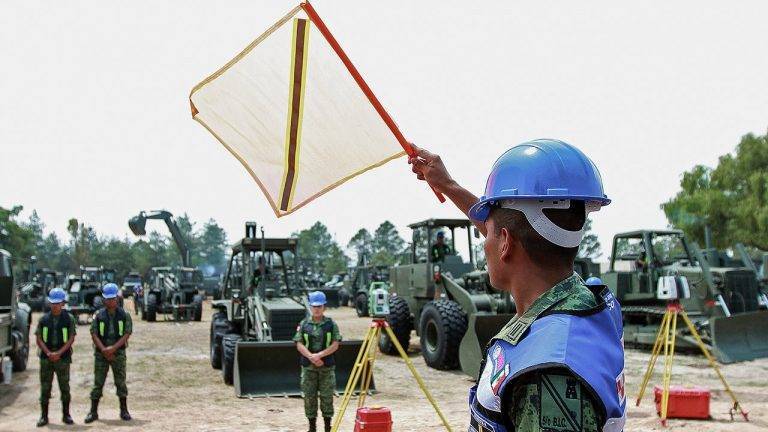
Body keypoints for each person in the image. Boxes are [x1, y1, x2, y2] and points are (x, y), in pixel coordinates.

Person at [409, 139, 626, 431]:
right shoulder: (587, 305)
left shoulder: (547, 374)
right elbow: (511, 228)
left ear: (506, 243)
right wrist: (447, 184)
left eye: (487, 234)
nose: (484, 241)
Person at [293, 291, 342, 432]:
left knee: (327, 398)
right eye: (314, 306)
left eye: (319, 306)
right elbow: (299, 343)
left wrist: (320, 355)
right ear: (310, 307)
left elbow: (335, 344)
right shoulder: (303, 324)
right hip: (308, 368)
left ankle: (328, 427)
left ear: (324, 307)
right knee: (309, 398)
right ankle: (312, 427)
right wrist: (311, 357)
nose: (316, 309)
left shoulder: (331, 324)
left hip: (326, 367)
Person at [85, 283, 133, 423]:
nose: (110, 301)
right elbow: (93, 333)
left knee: (120, 382)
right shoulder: (98, 315)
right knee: (98, 383)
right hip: (101, 354)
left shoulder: (124, 315)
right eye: (107, 299)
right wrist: (104, 350)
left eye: (112, 299)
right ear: (103, 299)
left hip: (118, 353)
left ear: (117, 299)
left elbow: (127, 333)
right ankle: (93, 412)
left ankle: (124, 410)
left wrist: (113, 349)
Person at [35, 287, 76, 427]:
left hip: (62, 358)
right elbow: (39, 338)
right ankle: (44, 416)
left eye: (58, 303)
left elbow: (71, 338)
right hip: (46, 358)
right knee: (45, 388)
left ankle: (66, 415)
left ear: (63, 303)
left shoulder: (69, 319)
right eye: (53, 303)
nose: (55, 305)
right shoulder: (43, 319)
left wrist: (59, 353)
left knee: (65, 387)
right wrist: (48, 353)